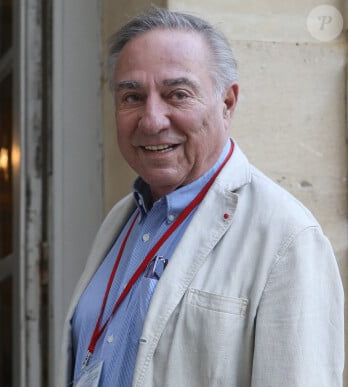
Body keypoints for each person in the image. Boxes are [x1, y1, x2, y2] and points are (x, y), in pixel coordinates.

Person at [58, 6, 344, 387]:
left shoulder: (287, 237)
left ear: (227, 103)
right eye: (132, 96)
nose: (152, 120)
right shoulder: (119, 221)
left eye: (177, 94)